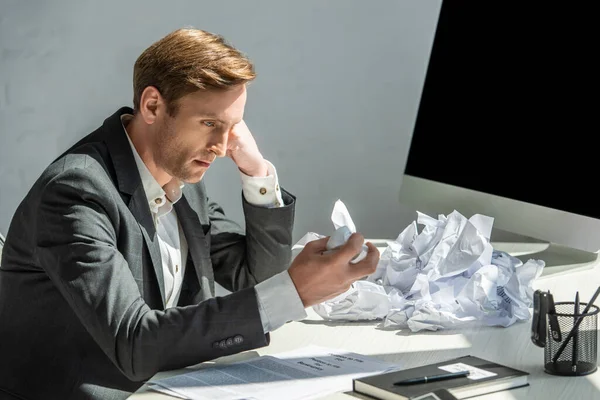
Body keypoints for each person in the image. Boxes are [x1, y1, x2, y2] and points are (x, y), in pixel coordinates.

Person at [0, 28, 379, 399]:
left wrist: (258, 174)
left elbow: (256, 276)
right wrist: (295, 291)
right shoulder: (76, 194)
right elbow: (135, 342)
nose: (220, 146)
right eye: (210, 123)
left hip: (170, 386)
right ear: (152, 106)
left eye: (232, 127)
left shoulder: (182, 180)